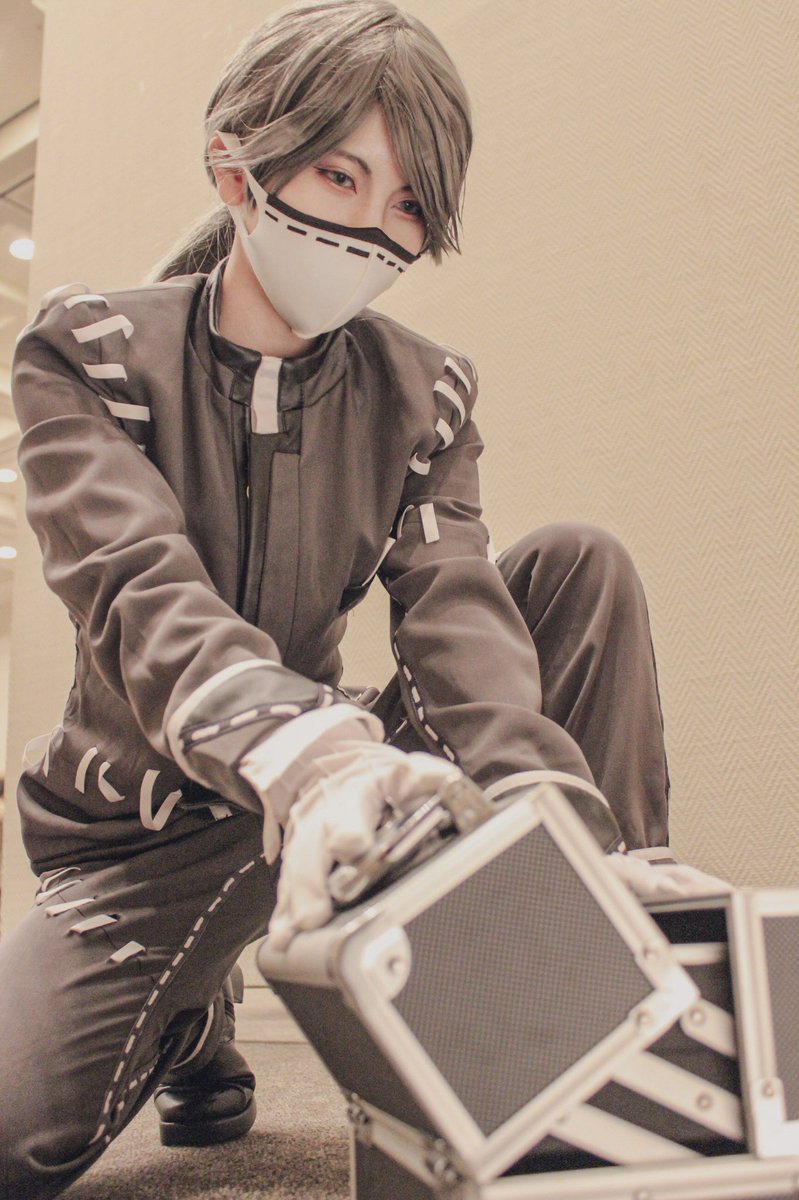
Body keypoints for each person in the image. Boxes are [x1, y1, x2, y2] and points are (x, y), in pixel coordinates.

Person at [0, 2, 715, 1196]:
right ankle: (192, 1014)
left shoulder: (423, 393)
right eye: (341, 175)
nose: (375, 227)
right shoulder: (90, 351)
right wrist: (311, 760)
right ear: (237, 166)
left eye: (409, 204)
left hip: (346, 803)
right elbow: (138, 587)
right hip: (151, 834)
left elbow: (455, 606)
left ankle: (598, 934)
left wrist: (563, 835)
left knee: (576, 565)